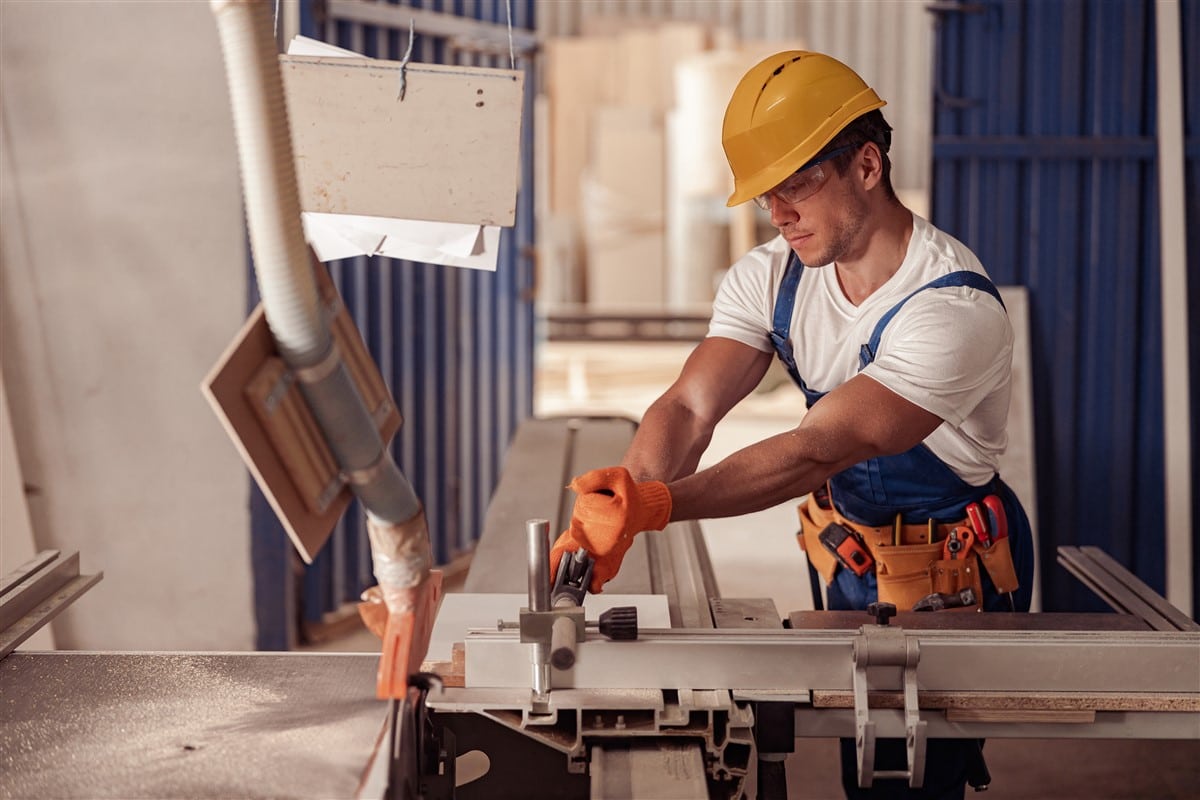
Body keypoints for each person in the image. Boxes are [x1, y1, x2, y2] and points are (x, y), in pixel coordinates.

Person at [550, 51, 1035, 798]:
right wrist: (624, 500)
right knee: (857, 757)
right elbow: (690, 405)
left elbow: (818, 449)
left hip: (949, 569)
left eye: (796, 187)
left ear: (867, 166)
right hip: (847, 555)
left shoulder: (952, 310)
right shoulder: (771, 275)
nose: (777, 213)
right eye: (764, 195)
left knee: (907, 780)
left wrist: (663, 506)